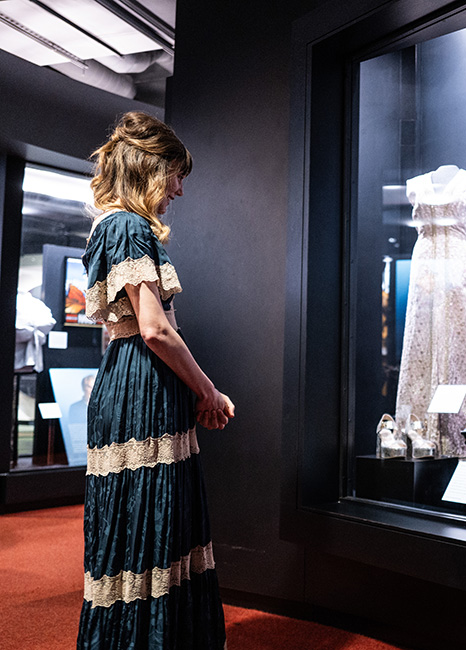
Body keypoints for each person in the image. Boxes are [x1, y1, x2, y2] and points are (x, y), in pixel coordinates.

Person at [78, 111, 233, 649]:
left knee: (136, 524)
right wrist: (207, 390)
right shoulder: (129, 225)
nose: (179, 190)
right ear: (151, 168)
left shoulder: (108, 225)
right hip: (143, 386)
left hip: (127, 382)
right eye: (176, 175)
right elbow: (155, 331)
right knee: (152, 523)